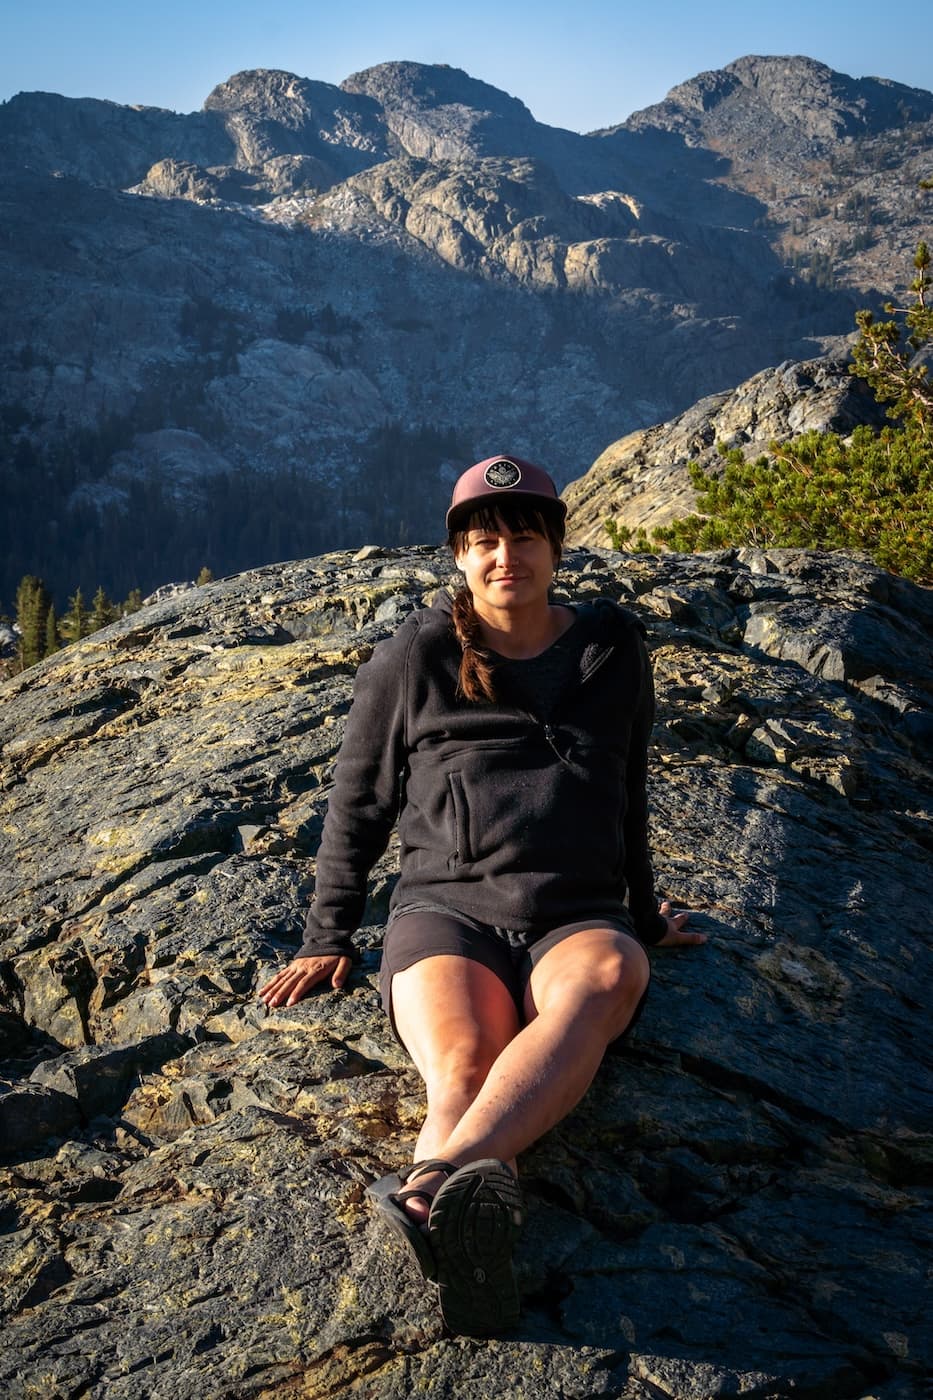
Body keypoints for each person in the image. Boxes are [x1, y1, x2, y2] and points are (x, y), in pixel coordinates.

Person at [259, 454, 704, 1336]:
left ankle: (429, 1195)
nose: (507, 556)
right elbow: (359, 802)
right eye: (485, 540)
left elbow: (628, 787)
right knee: (465, 1066)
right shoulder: (413, 657)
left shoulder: (610, 648)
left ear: (556, 547)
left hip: (576, 913)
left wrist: (644, 911)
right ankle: (459, 1223)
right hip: (446, 914)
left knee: (606, 979)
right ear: (459, 557)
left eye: (525, 536)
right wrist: (328, 935)